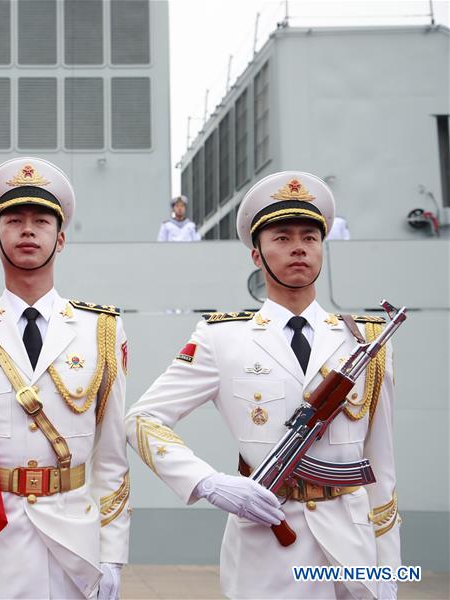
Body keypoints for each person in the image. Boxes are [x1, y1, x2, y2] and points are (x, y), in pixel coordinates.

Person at [126, 171, 399, 599]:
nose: (298, 247)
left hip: (355, 551)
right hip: (269, 546)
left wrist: (389, 577)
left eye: (310, 237)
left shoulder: (363, 340)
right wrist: (209, 483)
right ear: (257, 255)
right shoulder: (221, 337)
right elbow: (142, 419)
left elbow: (381, 470)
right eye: (282, 237)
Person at [0, 158, 131, 599]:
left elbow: (112, 455)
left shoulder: (102, 330)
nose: (28, 230)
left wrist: (113, 554)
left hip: (76, 541)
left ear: (61, 238)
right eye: (14, 221)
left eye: (41, 221)